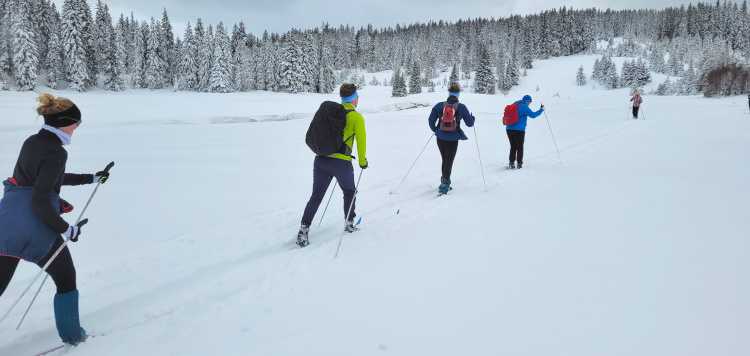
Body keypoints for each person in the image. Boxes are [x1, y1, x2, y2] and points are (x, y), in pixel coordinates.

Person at [0, 94, 110, 346]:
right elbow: (40, 199)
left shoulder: (33, 141)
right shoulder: (57, 151)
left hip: (7, 220)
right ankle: (74, 337)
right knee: (66, 277)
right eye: (77, 122)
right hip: (33, 226)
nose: (78, 127)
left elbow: (45, 179)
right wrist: (67, 229)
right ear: (65, 123)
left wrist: (91, 178)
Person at [297, 84, 367, 247]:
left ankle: (303, 229)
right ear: (354, 98)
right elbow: (361, 142)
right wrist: (362, 162)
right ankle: (349, 224)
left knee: (316, 195)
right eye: (357, 96)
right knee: (349, 191)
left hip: (320, 159)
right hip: (341, 162)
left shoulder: (331, 113)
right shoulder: (356, 117)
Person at [428, 84, 475, 195]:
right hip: (453, 138)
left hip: (440, 137)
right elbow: (470, 124)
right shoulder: (462, 107)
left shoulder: (439, 105)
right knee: (449, 160)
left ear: (449, 93)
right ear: (458, 94)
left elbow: (430, 120)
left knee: (445, 159)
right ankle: (444, 184)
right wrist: (472, 118)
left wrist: (435, 130)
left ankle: (445, 179)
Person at [506, 95, 544, 169]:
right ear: (528, 101)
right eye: (530, 102)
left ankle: (511, 163)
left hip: (509, 128)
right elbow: (533, 115)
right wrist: (541, 110)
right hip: (519, 130)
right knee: (519, 147)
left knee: (513, 146)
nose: (530, 104)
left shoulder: (514, 104)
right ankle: (519, 164)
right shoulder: (524, 106)